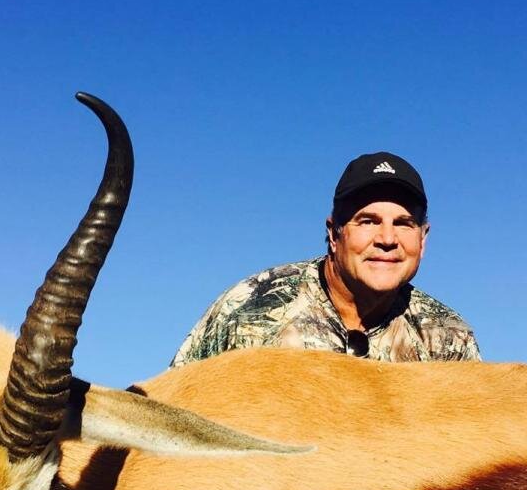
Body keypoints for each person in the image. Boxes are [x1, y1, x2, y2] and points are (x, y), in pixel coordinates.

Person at [171, 151, 479, 365]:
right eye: (368, 221)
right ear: (334, 234)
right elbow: (179, 414)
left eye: (403, 223)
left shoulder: (448, 339)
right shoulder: (249, 308)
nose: (387, 239)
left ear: (423, 239)